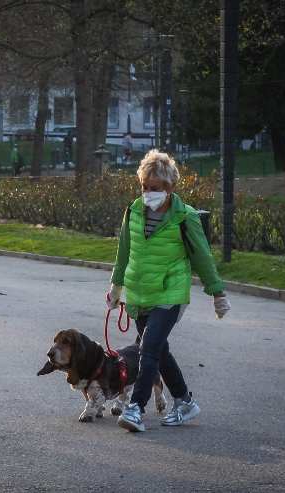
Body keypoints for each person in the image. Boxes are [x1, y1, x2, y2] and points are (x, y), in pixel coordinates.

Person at [106, 149, 231, 433]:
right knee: (159, 351)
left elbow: (202, 256)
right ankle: (184, 402)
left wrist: (218, 293)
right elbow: (123, 251)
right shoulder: (133, 210)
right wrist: (116, 286)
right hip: (140, 294)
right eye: (144, 187)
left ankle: (136, 408)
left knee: (147, 348)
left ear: (170, 188)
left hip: (170, 293)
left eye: (155, 188)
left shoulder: (184, 217)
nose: (148, 193)